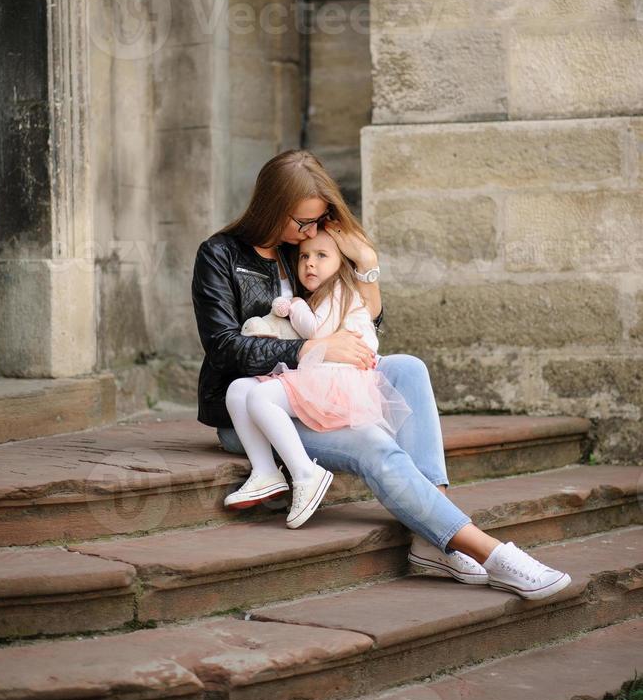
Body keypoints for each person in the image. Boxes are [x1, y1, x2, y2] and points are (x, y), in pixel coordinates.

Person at [192, 149, 572, 601]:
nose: (309, 235)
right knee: (374, 444)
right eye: (302, 224)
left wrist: (367, 262)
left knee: (408, 368)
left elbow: (362, 321)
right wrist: (309, 347)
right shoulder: (219, 254)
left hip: (320, 384)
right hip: (255, 408)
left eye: (316, 224)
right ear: (272, 208)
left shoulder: (304, 249)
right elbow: (223, 349)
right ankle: (489, 552)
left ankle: (432, 536)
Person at [222, 228, 413, 529]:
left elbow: (317, 333)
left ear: (342, 264)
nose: (310, 263)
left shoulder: (341, 290)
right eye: (305, 257)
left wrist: (296, 306)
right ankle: (265, 472)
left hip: (338, 382)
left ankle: (306, 475)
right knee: (237, 390)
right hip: (319, 374)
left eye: (321, 256)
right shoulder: (322, 294)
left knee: (261, 397)